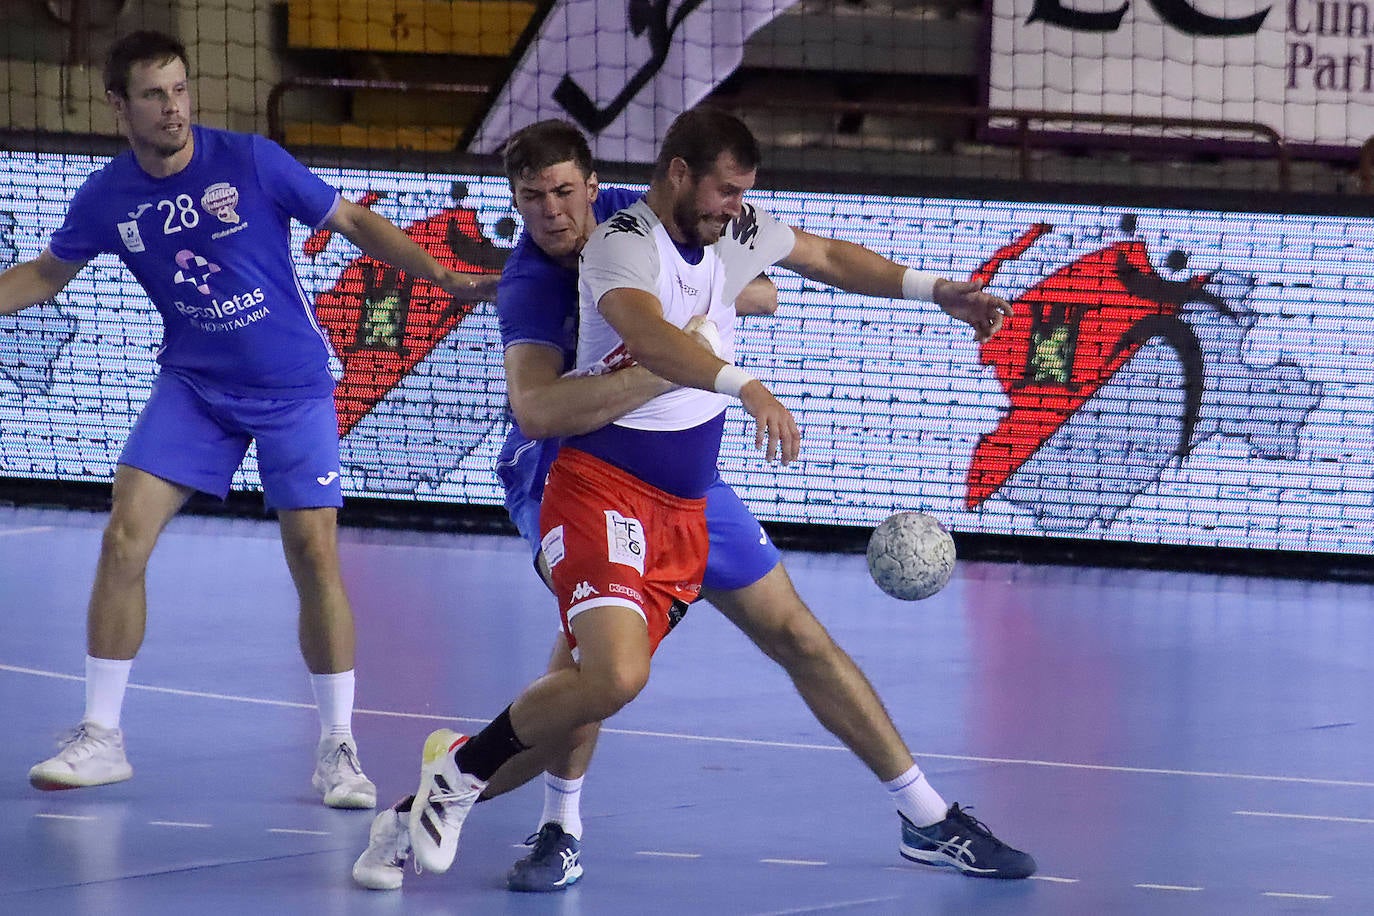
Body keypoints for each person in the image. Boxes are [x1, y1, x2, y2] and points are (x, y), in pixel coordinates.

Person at [352, 111, 1032, 891]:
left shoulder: (686, 224)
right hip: (572, 476)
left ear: (594, 186)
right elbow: (545, 408)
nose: (551, 212)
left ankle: (928, 818)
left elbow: (816, 257)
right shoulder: (545, 281)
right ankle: (540, 820)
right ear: (679, 174)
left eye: (564, 191)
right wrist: (716, 366)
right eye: (532, 198)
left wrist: (932, 288)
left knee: (791, 638)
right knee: (600, 668)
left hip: (690, 488)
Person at [0, 30, 496, 808]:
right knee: (125, 532)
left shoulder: (253, 160)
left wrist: (441, 276)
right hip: (195, 386)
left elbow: (355, 225)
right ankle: (101, 737)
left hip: (293, 385)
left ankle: (338, 749)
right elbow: (43, 275)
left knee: (312, 550)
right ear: (118, 107)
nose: (173, 108)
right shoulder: (106, 197)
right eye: (155, 95)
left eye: (180, 90)